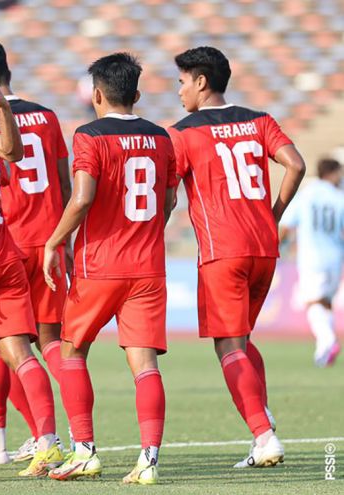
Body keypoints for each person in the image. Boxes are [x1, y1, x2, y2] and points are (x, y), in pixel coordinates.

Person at [167, 46, 306, 468]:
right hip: (265, 248)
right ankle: (262, 422)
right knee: (241, 339)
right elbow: (296, 165)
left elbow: (168, 194)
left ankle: (263, 435)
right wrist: (274, 214)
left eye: (182, 82)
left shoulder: (183, 133)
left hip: (222, 250)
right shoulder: (259, 120)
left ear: (201, 82)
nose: (179, 91)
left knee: (227, 344)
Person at [43, 52, 177, 484]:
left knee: (72, 352)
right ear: (136, 94)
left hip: (99, 264)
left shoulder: (89, 135)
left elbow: (81, 197)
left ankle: (84, 450)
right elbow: (170, 201)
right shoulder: (161, 138)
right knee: (145, 366)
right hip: (148, 267)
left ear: (97, 94)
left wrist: (55, 239)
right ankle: (148, 462)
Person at [0, 38, 72, 464]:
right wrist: (66, 242)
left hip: (1, 243)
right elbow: (62, 182)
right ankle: (72, 435)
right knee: (51, 342)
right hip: (48, 240)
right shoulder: (47, 116)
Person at [280, 157, 343, 367]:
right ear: (331, 173)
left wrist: (275, 246)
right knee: (325, 302)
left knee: (313, 302)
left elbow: (288, 224)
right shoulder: (339, 197)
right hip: (335, 257)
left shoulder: (307, 194)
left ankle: (327, 340)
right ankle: (323, 352)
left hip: (312, 257)